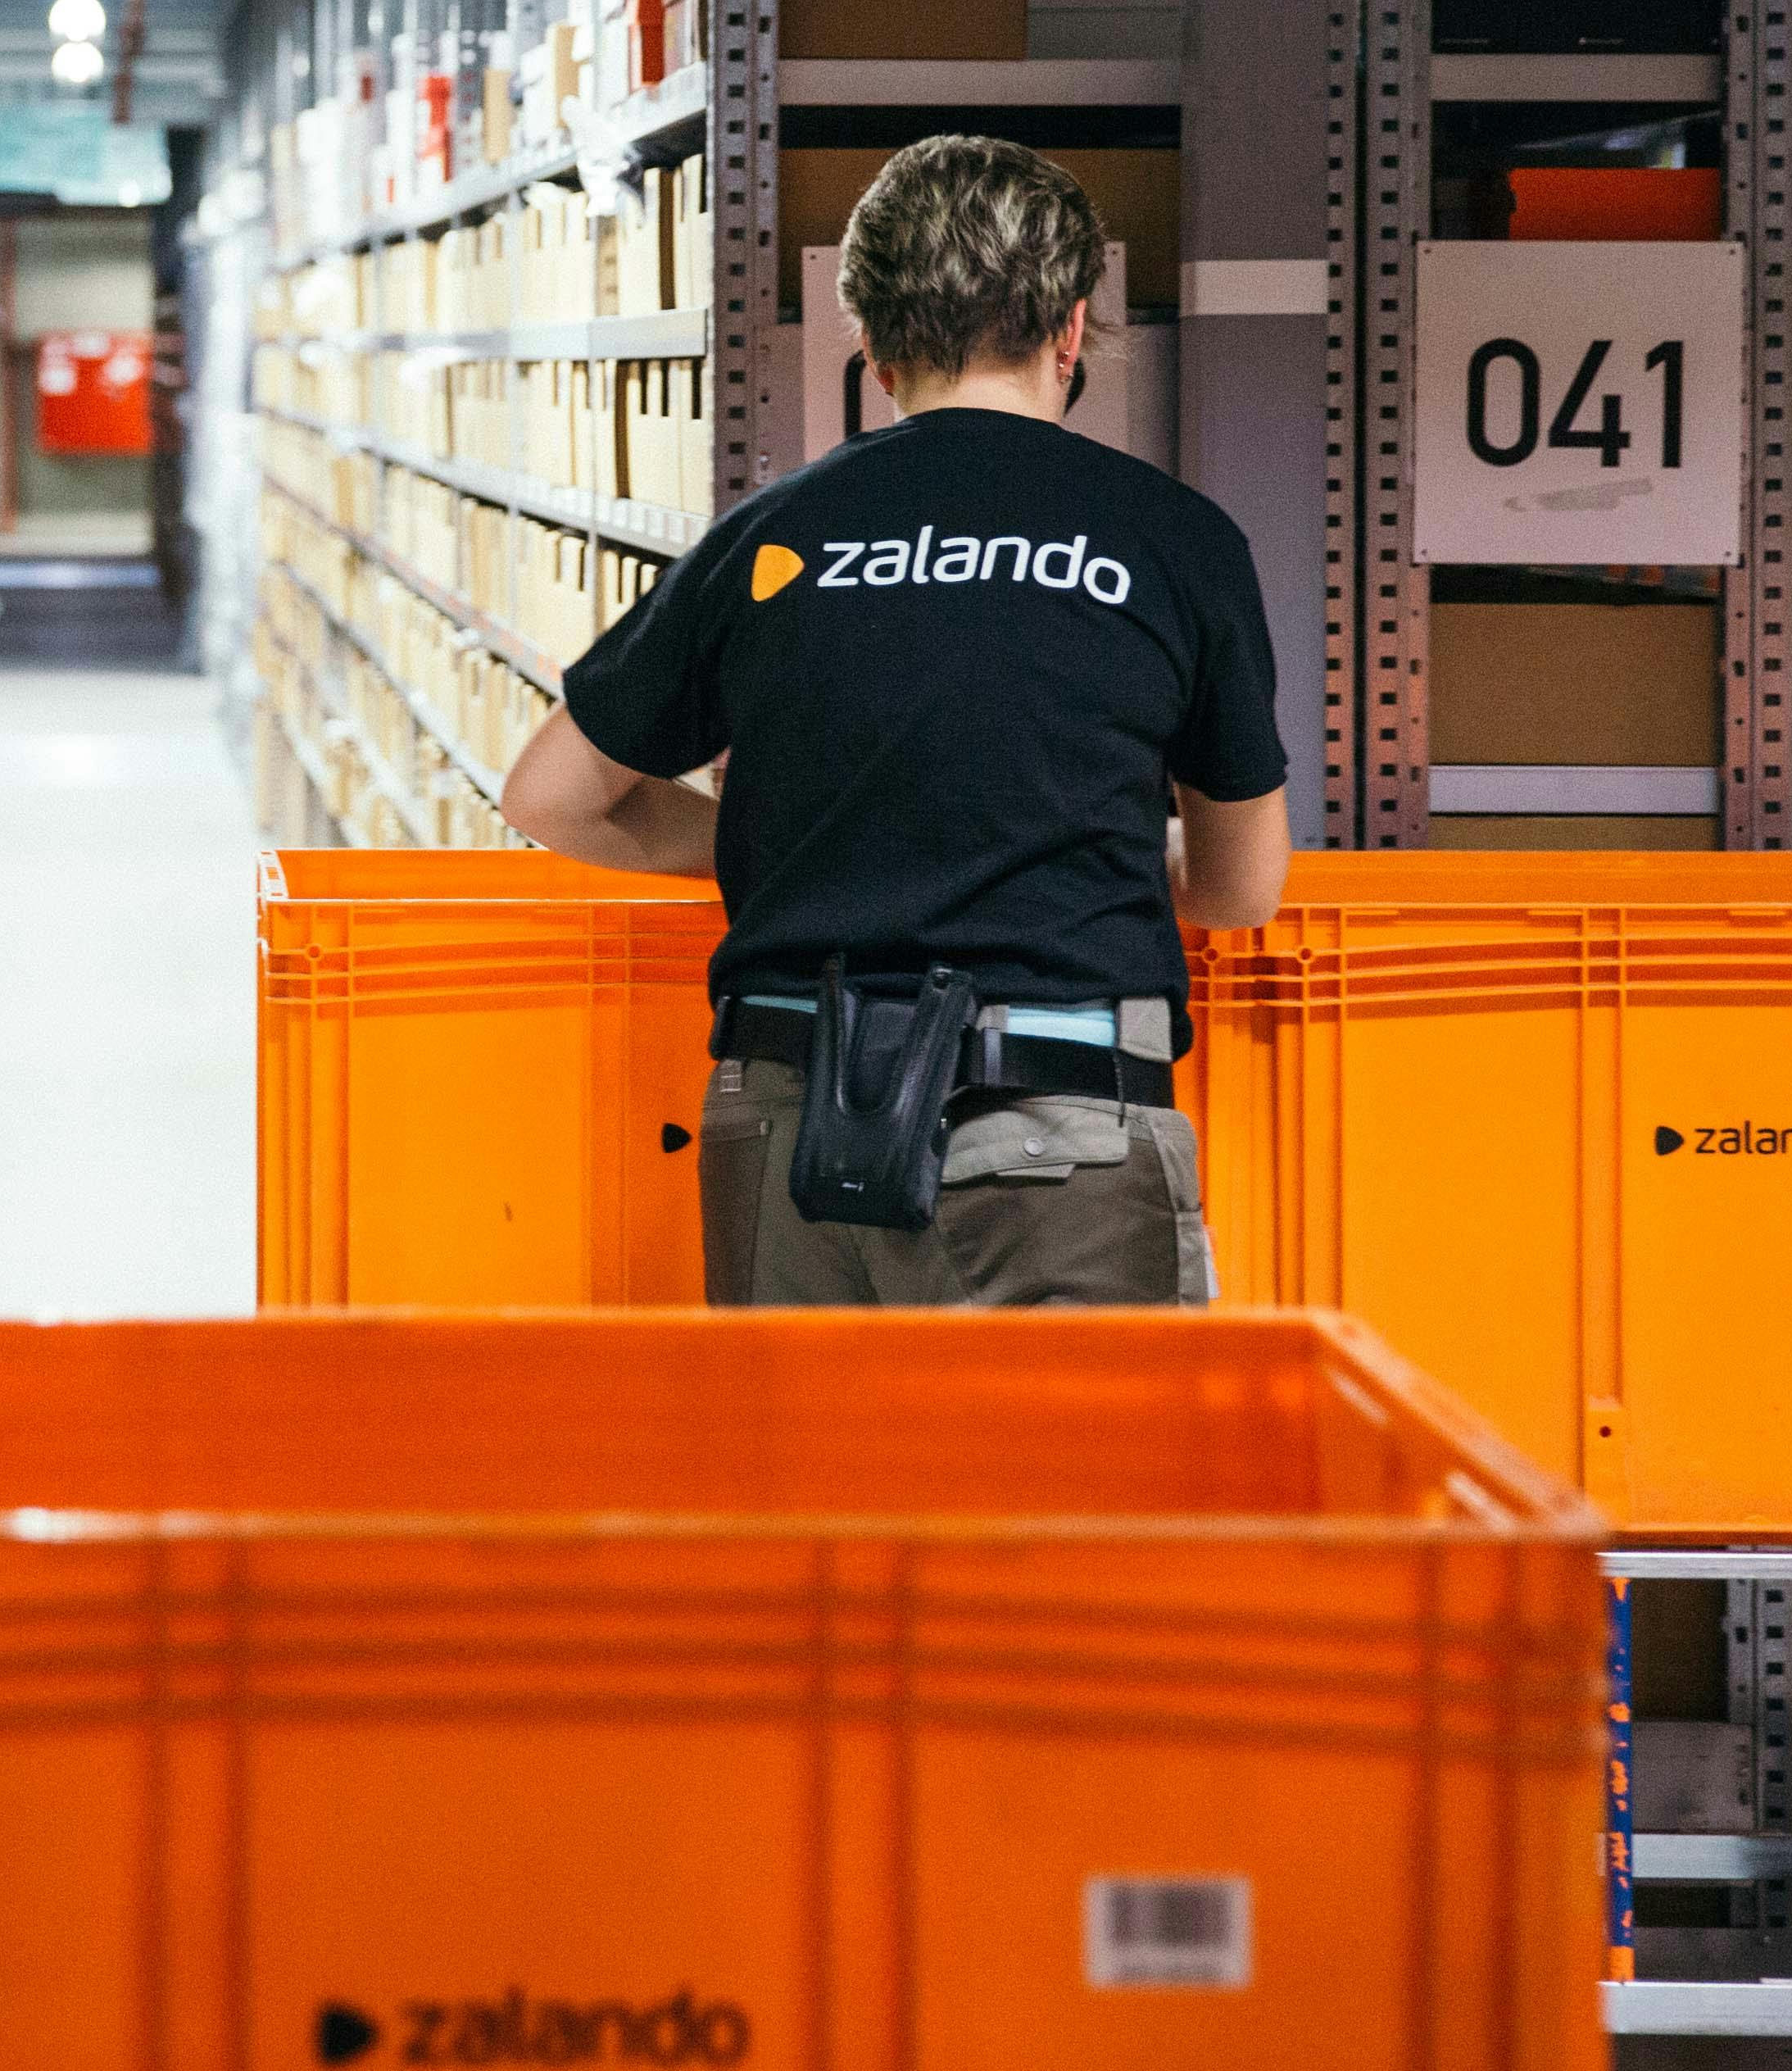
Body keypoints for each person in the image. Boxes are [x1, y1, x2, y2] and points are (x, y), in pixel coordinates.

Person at [498, 135, 1291, 1308]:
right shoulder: (1171, 541)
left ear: (867, 346)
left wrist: (797, 847)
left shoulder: (768, 538)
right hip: (1058, 1128)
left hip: (788, 1120)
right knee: (1078, 1491)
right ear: (1071, 329)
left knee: (814, 1490)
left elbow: (549, 798)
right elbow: (1240, 887)